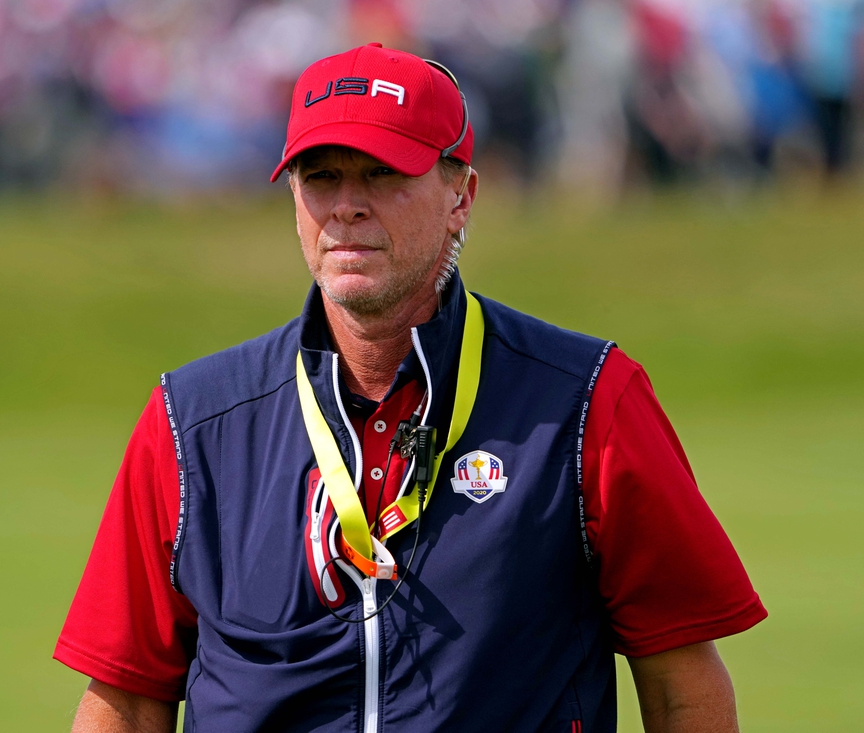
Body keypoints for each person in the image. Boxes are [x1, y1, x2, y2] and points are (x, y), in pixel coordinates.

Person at [54, 43, 766, 733]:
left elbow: (682, 683)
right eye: (321, 176)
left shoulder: (586, 402)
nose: (347, 206)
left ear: (461, 195)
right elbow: (125, 699)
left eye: (382, 173)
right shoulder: (193, 421)